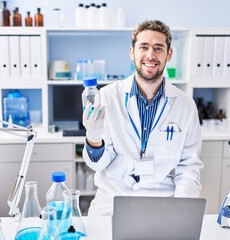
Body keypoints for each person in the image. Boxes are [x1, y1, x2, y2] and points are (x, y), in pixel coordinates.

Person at [82, 19, 204, 216]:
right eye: (143, 47)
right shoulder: (107, 97)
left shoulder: (185, 105)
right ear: (132, 52)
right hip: (114, 199)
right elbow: (98, 164)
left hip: (163, 201)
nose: (150, 55)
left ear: (169, 54)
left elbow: (189, 167)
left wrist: (182, 211)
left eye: (158, 48)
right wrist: (94, 139)